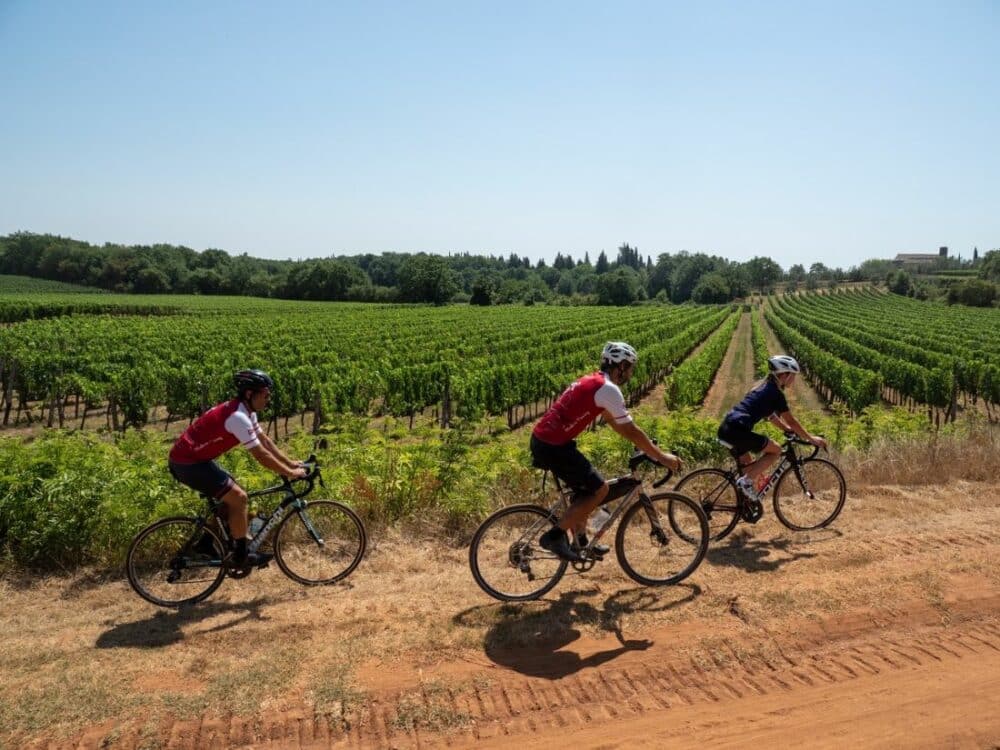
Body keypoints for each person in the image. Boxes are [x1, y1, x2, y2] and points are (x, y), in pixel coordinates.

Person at [531, 342, 683, 562]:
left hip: (548, 441)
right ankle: (555, 536)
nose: (631, 373)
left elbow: (617, 424)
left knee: (585, 491)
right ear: (620, 366)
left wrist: (647, 448)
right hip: (553, 445)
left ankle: (581, 543)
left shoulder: (594, 381)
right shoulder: (609, 389)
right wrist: (661, 456)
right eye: (630, 367)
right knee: (600, 490)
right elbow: (630, 429)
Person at [168, 369, 307, 567]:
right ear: (250, 394)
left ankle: (206, 543)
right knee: (239, 498)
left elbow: (264, 441)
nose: (268, 399)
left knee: (231, 496)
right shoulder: (237, 417)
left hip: (196, 459)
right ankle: (241, 556)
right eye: (265, 395)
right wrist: (290, 473)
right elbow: (261, 455)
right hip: (187, 463)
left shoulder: (246, 411)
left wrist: (290, 463)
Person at [718, 355, 828, 506]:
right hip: (737, 431)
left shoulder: (762, 387)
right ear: (784, 375)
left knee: (749, 466)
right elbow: (792, 420)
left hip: (728, 427)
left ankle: (745, 506)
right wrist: (811, 439)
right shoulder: (775, 394)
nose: (794, 380)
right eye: (793, 376)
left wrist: (786, 429)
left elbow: (770, 415)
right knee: (775, 450)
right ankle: (745, 483)